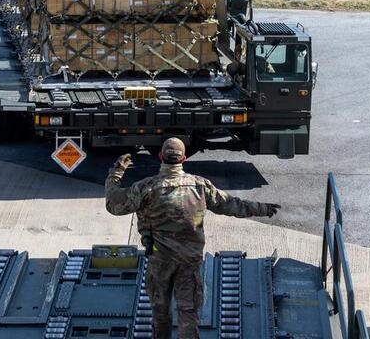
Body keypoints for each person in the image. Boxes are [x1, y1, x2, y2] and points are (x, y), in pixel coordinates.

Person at [104, 138, 281, 339]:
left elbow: (113, 205)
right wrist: (263, 209)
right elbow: (231, 204)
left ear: (161, 157)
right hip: (189, 261)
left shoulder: (145, 188)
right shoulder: (200, 186)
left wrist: (116, 173)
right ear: (184, 158)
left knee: (160, 312)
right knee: (188, 313)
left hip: (159, 260)